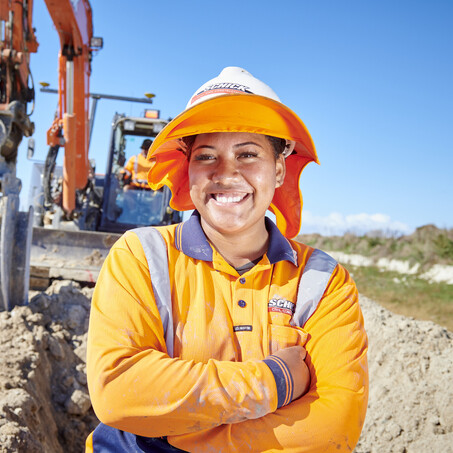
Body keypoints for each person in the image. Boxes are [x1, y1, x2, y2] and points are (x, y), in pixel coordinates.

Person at [86, 67, 368, 452]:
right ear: (189, 170)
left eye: (248, 154)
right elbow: (118, 391)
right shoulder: (141, 257)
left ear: (280, 168)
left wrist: (180, 430)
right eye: (207, 156)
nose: (226, 173)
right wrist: (276, 380)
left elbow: (334, 429)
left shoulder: (323, 282)